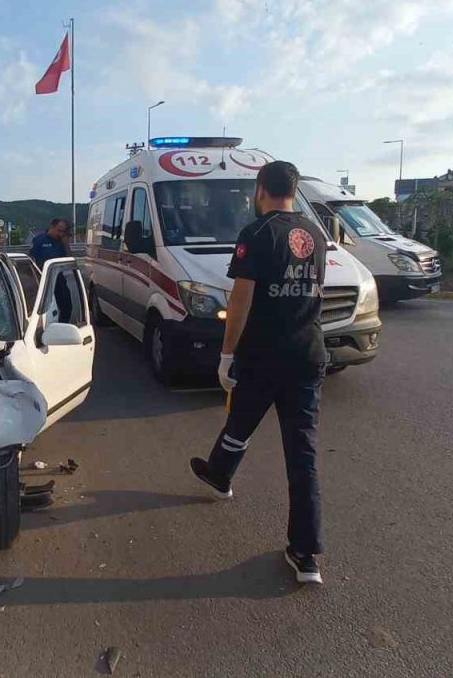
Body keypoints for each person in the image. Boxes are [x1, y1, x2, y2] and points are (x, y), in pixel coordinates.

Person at [189, 160, 328, 585]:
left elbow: (241, 301)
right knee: (298, 453)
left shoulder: (257, 234)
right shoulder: (315, 235)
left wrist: (226, 355)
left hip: (265, 355)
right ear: (294, 189)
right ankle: (306, 556)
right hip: (307, 353)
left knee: (244, 413)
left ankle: (220, 473)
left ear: (260, 189)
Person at [29, 218, 74, 323]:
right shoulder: (39, 240)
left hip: (58, 278)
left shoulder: (62, 242)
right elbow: (31, 259)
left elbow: (70, 261)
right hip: (41, 279)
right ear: (52, 227)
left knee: (66, 305)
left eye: (63, 232)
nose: (60, 234)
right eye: (59, 230)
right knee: (42, 307)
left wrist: (66, 244)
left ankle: (63, 326)